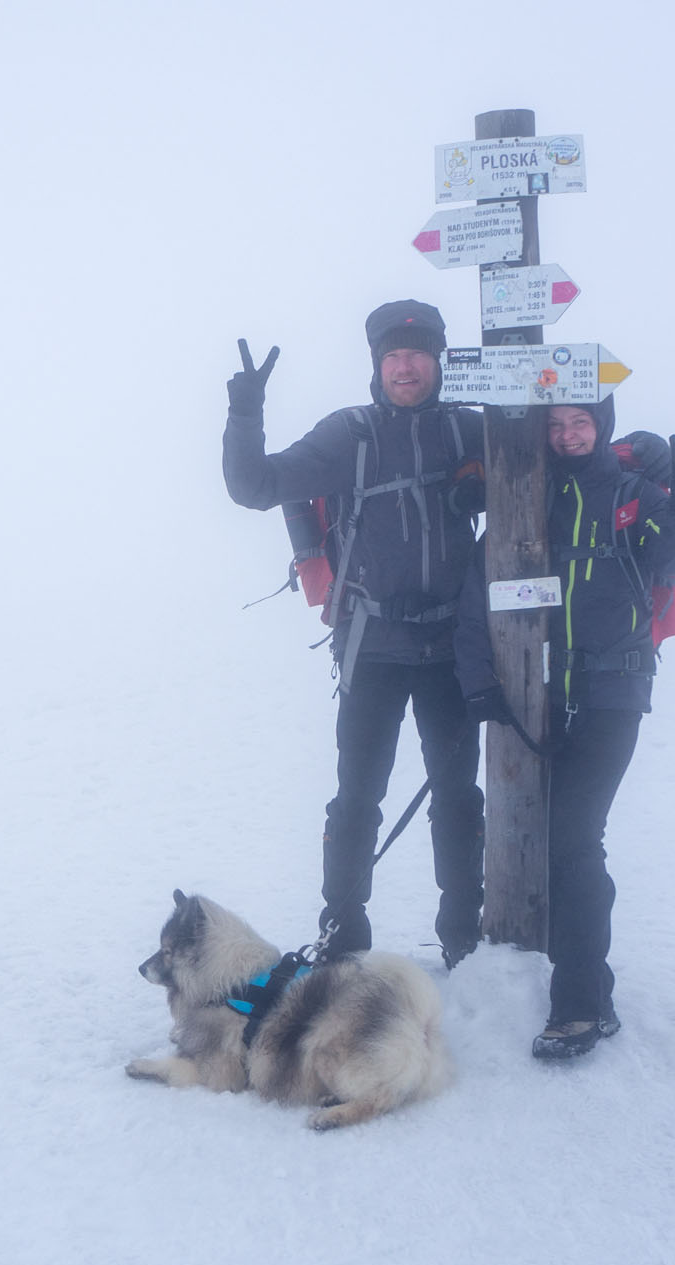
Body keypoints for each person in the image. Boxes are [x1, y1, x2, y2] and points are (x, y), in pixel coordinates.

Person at [222, 300, 509, 966]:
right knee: (357, 799)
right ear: (377, 366)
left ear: (438, 361)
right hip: (373, 647)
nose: (405, 368)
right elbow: (254, 486)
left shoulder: (469, 432)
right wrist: (244, 414)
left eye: (417, 355)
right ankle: (343, 933)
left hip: (450, 652)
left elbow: (547, 466)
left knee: (458, 797)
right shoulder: (349, 435)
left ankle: (462, 936)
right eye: (392, 357)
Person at [521, 399, 675, 1059]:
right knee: (558, 842)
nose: (568, 435)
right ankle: (589, 991)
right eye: (556, 425)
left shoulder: (632, 495)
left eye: (580, 423)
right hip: (546, 689)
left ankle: (578, 1008)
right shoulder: (533, 493)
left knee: (573, 839)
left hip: (613, 693)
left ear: (601, 426)